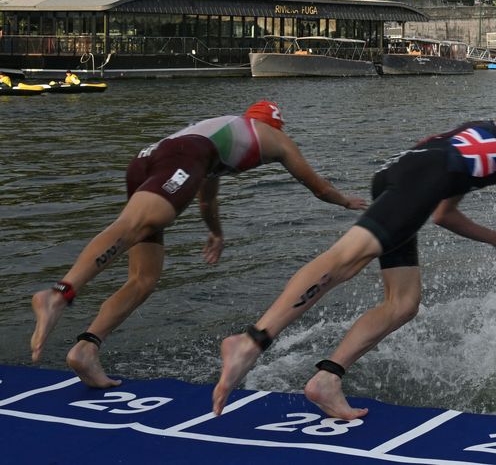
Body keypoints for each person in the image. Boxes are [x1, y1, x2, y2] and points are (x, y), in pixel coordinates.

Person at [212, 89, 496, 419]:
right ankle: (251, 340)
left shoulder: (484, 133)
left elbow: (442, 213)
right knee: (344, 261)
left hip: (399, 172)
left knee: (403, 302)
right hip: (423, 178)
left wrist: (494, 238)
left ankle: (327, 379)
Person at [29, 101, 365, 388]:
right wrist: (345, 201)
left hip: (148, 160)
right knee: (134, 225)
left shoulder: (221, 135)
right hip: (179, 158)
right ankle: (61, 293)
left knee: (144, 278)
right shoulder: (273, 136)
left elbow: (206, 200)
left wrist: (216, 234)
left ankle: (86, 349)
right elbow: (317, 186)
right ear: (274, 123)